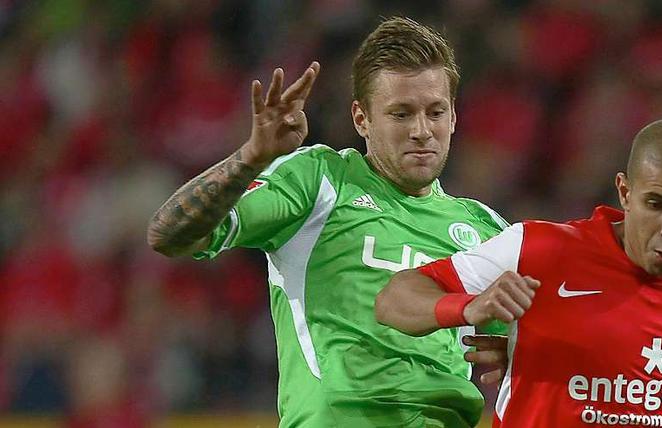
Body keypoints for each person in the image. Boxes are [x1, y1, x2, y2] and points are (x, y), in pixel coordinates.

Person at [147, 17, 510, 428]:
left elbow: (539, 343)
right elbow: (169, 234)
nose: (422, 131)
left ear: (454, 117)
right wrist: (251, 157)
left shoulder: (485, 230)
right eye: (401, 114)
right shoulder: (319, 182)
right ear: (362, 119)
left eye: (435, 112)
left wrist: (520, 351)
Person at [376, 119, 662, 427]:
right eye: (656, 204)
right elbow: (395, 298)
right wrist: (468, 306)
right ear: (625, 191)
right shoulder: (539, 249)